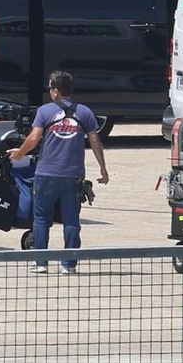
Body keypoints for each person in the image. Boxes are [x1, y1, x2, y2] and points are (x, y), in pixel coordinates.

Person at [8, 71, 109, 274]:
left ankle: (40, 262)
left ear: (55, 91)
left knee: (42, 219)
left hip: (46, 174)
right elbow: (95, 141)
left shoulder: (45, 112)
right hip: (73, 175)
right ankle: (69, 264)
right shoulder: (85, 113)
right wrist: (103, 168)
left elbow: (35, 137)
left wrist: (19, 153)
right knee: (71, 220)